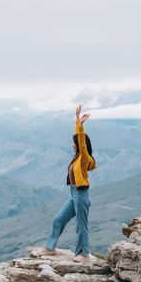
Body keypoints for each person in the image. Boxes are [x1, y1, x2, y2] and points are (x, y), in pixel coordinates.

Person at [33, 105, 96, 258]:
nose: (72, 144)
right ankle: (50, 247)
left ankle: (83, 255)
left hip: (81, 194)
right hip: (73, 193)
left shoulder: (84, 158)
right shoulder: (77, 157)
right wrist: (77, 120)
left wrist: (80, 125)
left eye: (74, 142)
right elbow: (79, 140)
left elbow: (81, 141)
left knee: (81, 226)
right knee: (59, 219)